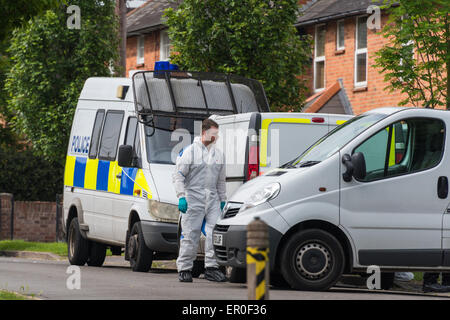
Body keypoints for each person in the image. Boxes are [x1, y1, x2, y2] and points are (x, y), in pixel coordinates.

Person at [173, 119, 227, 283]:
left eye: (217, 134)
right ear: (204, 133)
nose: (216, 137)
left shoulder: (218, 155)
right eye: (213, 134)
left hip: (212, 199)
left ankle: (211, 268)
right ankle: (184, 269)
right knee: (190, 234)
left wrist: (223, 200)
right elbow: (178, 176)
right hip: (193, 197)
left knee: (213, 234)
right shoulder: (190, 152)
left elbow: (221, 181)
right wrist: (181, 196)